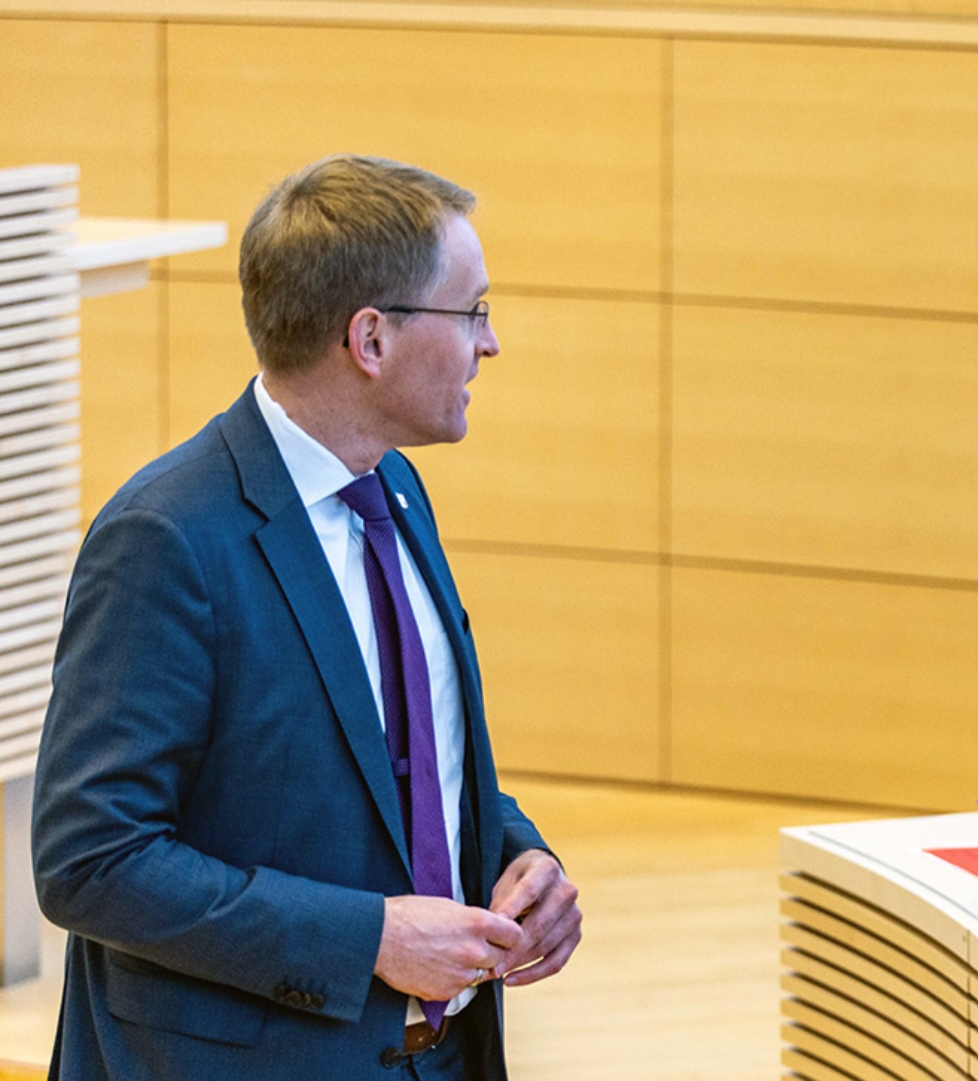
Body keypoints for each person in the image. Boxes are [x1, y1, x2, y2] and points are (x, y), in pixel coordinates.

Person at [31, 154, 582, 1080]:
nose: (491, 343)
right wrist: (366, 936)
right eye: (473, 311)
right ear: (370, 340)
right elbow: (92, 857)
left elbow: (406, 763)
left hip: (436, 1056)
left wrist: (521, 858)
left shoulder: (395, 490)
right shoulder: (166, 537)